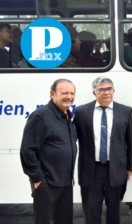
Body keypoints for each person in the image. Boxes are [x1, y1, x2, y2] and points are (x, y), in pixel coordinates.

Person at [73, 76, 132, 224]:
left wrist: (130, 167)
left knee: (114, 209)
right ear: (94, 92)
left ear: (114, 91)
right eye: (102, 89)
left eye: (109, 89)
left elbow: (131, 142)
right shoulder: (82, 111)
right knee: (91, 210)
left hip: (115, 169)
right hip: (90, 169)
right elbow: (71, 136)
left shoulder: (126, 111)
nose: (106, 92)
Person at [20, 79, 77, 224]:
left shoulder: (67, 116)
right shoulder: (41, 116)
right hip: (47, 183)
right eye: (64, 93)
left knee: (64, 220)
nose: (69, 96)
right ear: (52, 94)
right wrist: (38, 178)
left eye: (72, 93)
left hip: (65, 182)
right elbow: (27, 150)